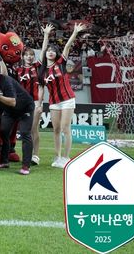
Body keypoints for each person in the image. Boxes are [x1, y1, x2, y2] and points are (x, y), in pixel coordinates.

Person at [40, 22, 88, 168]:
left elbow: (67, 46)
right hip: (54, 102)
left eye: (53, 51)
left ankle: (66, 158)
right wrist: (46, 35)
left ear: (56, 54)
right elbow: (43, 49)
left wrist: (75, 32)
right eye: (49, 50)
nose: (50, 52)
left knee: (65, 128)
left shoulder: (60, 63)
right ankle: (57, 157)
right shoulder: (42, 70)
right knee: (56, 130)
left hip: (67, 99)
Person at [15, 47, 43, 165]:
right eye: (26, 55)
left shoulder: (37, 67)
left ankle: (36, 156)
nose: (29, 57)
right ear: (22, 57)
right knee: (24, 130)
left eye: (31, 55)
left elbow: (43, 51)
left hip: (35, 101)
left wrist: (46, 37)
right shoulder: (18, 70)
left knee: (33, 128)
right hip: (21, 102)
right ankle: (27, 155)